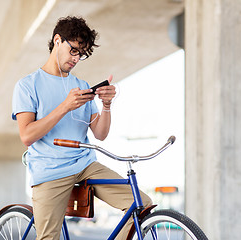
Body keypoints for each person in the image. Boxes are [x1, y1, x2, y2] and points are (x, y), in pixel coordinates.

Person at [12, 16, 152, 240]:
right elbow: (27, 136)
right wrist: (65, 106)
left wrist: (106, 105)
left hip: (85, 164)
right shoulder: (28, 85)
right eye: (74, 50)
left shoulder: (82, 86)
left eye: (81, 54)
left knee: (141, 203)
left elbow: (100, 133)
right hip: (51, 170)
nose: (76, 58)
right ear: (57, 40)